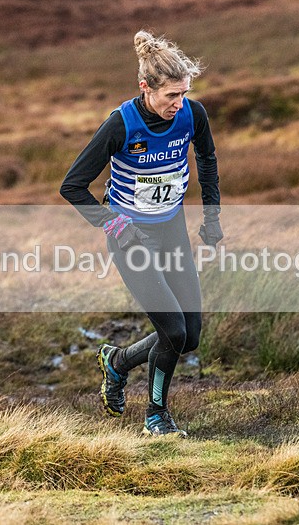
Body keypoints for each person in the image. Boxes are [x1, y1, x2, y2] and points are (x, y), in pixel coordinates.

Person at [60, 30, 223, 437]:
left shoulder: (192, 115)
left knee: (190, 337)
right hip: (130, 237)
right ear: (145, 88)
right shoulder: (120, 124)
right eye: (171, 96)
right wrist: (115, 225)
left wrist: (212, 219)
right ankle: (156, 416)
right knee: (172, 331)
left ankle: (117, 362)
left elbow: (206, 158)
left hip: (171, 231)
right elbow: (72, 186)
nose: (178, 104)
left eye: (183, 93)